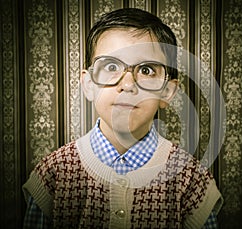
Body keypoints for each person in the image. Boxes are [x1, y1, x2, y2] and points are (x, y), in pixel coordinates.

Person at [23, 8, 223, 229]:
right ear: (89, 85)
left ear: (166, 92)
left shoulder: (192, 181)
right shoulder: (53, 173)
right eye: (110, 66)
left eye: (146, 70)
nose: (127, 85)